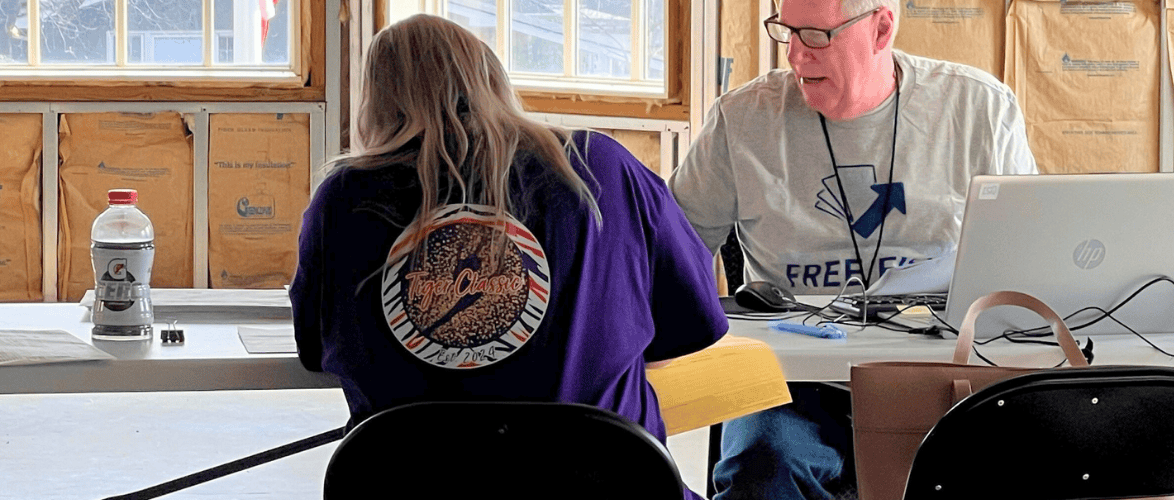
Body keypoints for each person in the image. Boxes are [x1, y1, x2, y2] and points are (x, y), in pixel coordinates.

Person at [290, 15, 727, 495]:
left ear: (375, 101)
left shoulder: (344, 198)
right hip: (604, 484)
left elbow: (314, 347)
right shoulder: (598, 166)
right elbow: (697, 321)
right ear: (492, 78)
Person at [669, 0, 1038, 494]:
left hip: (941, 381)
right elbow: (667, 256)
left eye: (816, 36)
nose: (796, 57)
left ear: (881, 28)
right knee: (763, 467)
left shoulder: (979, 109)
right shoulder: (742, 121)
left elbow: (1027, 260)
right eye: (787, 32)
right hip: (793, 387)